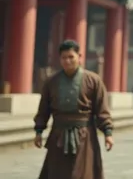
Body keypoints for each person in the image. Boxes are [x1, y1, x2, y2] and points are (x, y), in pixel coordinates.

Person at [33, 40, 114, 179]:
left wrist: (108, 132)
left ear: (79, 56)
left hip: (84, 134)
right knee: (57, 172)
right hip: (59, 133)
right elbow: (43, 109)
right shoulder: (51, 82)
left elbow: (102, 109)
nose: (67, 61)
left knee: (82, 172)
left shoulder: (93, 80)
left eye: (71, 57)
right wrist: (39, 131)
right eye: (64, 58)